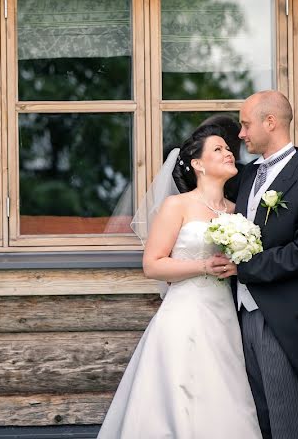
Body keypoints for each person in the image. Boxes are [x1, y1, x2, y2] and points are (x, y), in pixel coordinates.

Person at [97, 124, 262, 439]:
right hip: (184, 314)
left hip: (224, 315)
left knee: (223, 393)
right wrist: (203, 265)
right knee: (177, 396)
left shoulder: (236, 211)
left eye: (229, 149)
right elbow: (152, 264)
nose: (229, 152)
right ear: (198, 165)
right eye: (218, 149)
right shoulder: (177, 205)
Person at [224, 90, 298, 439]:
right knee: (258, 419)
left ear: (270, 122)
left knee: (290, 422)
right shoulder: (246, 177)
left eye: (246, 125)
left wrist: (246, 268)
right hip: (242, 314)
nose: (241, 134)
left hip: (283, 319)